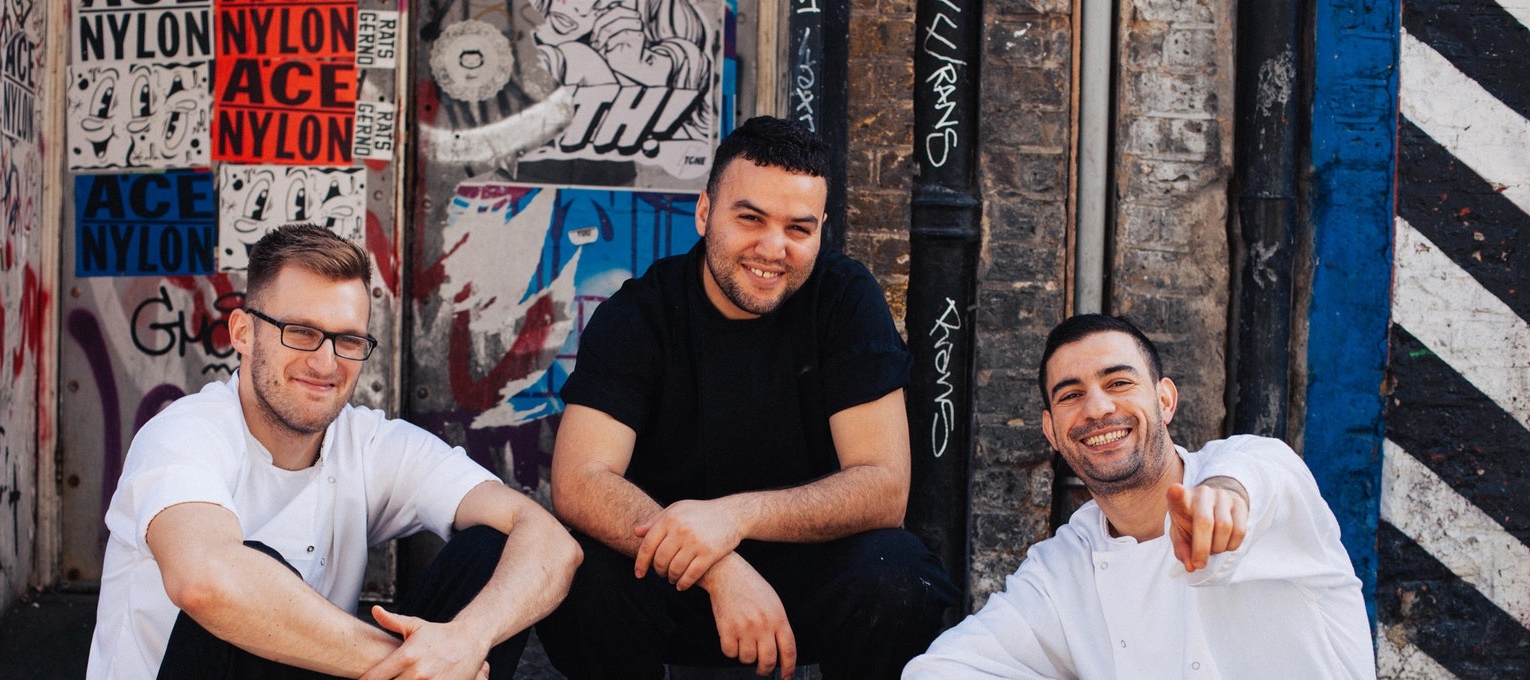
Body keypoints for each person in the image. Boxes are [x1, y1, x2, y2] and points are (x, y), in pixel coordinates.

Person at [536, 116, 958, 680]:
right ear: (706, 212)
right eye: (750, 218)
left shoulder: (844, 299)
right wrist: (718, 567)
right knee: (578, 575)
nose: (773, 248)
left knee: (899, 572)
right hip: (672, 577)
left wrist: (734, 518)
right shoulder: (640, 314)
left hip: (804, 580)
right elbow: (580, 481)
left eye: (798, 229)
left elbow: (883, 487)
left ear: (821, 230)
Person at [86, 224, 581, 680]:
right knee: (249, 575)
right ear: (242, 332)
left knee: (494, 549)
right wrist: (418, 663)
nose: (325, 363)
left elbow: (551, 542)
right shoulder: (184, 432)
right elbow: (206, 583)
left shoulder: (368, 444)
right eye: (300, 331)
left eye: (347, 340)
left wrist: (467, 641)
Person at [903, 314, 1376, 679]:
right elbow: (940, 671)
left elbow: (1253, 477)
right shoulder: (1064, 567)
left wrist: (1222, 497)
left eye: (1119, 383)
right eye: (1070, 395)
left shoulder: (1257, 471)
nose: (1098, 408)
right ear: (1052, 430)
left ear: (1165, 400)